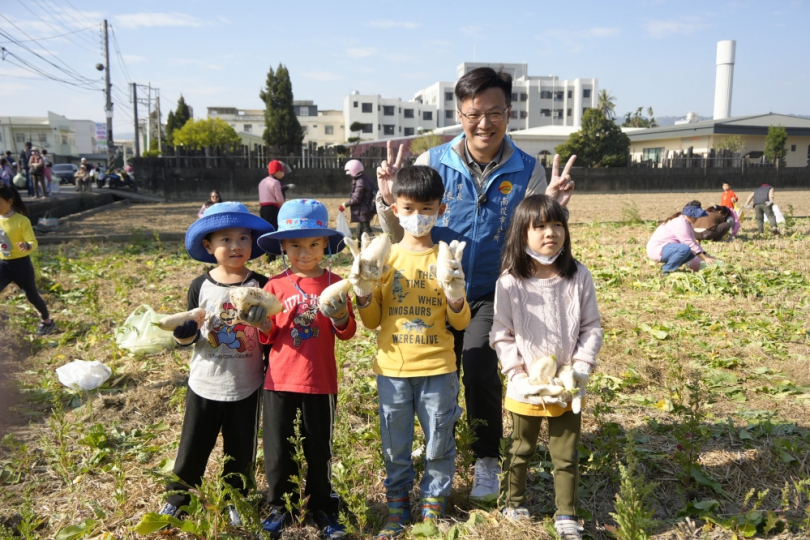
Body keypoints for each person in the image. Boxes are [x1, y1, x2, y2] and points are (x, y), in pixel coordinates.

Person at [375, 67, 576, 501]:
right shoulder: (434, 162)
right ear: (460, 114)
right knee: (429, 373)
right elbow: (401, 235)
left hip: (489, 290)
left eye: (494, 112)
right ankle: (433, 446)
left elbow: (537, 239)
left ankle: (486, 457)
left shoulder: (527, 170)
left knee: (480, 366)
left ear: (509, 112)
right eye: (473, 113)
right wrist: (388, 202)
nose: (484, 123)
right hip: (431, 292)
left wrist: (553, 210)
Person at [353, 166, 469, 538]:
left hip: (438, 368)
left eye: (426, 208)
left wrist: (455, 294)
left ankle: (433, 510)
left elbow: (462, 321)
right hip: (393, 370)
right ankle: (397, 510)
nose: (417, 216)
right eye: (408, 208)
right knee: (395, 445)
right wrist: (363, 292)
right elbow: (372, 321)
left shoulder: (446, 255)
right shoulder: (383, 257)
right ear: (395, 208)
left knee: (439, 443)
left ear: (441, 209)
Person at [490, 194, 602, 540]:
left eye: (556, 225)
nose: (550, 233)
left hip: (566, 384)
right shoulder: (510, 282)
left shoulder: (578, 276)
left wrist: (581, 366)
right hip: (526, 384)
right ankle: (513, 501)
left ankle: (566, 513)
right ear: (521, 233)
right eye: (539, 226)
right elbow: (501, 333)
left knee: (565, 453)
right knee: (520, 447)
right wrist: (516, 374)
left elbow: (591, 327)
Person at [157, 202, 274, 527]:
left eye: (243, 238)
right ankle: (179, 498)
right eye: (226, 240)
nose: (236, 246)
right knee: (193, 446)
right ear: (209, 246)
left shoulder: (261, 285)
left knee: (240, 451)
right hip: (205, 382)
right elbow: (191, 334)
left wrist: (264, 327)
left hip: (246, 383)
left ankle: (234, 497)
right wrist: (183, 335)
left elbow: (269, 335)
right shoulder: (200, 285)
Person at [255, 199, 356, 539]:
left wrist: (341, 314)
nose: (305, 252)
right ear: (283, 245)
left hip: (320, 381)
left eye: (313, 244)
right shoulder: (274, 286)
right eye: (295, 244)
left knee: (319, 448)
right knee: (278, 449)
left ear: (325, 243)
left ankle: (323, 508)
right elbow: (267, 335)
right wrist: (258, 322)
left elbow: (347, 331)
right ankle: (279, 506)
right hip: (279, 380)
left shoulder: (337, 283)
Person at [0, 185, 57, 335]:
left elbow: (33, 242)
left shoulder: (21, 221)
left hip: (21, 264)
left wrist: (27, 245)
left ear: (9, 201)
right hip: (2, 264)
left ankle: (47, 322)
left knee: (31, 295)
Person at [646, 204, 716, 274]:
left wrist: (705, 255)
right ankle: (665, 271)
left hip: (668, 249)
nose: (697, 219)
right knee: (684, 249)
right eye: (695, 217)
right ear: (689, 215)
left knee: (691, 254)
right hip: (657, 250)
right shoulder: (679, 222)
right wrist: (705, 258)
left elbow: (693, 241)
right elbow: (688, 243)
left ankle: (668, 267)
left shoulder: (686, 222)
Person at [339, 159, 375, 239]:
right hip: (365, 210)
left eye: (349, 172)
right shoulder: (364, 178)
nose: (349, 175)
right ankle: (359, 246)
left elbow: (356, 198)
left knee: (367, 230)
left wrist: (345, 204)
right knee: (359, 231)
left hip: (363, 210)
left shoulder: (360, 181)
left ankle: (376, 246)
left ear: (353, 170)